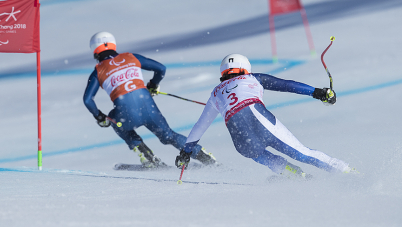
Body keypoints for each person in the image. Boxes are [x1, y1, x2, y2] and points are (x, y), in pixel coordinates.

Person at [175, 53, 357, 179]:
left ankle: (294, 176)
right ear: (245, 68)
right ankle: (346, 172)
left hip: (239, 139)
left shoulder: (215, 93)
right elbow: (285, 85)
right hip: (259, 120)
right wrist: (317, 92)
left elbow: (201, 125)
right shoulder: (252, 77)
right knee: (302, 153)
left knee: (259, 155)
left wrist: (186, 151)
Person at [83, 31, 217, 168]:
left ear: (94, 50)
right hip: (148, 108)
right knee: (168, 136)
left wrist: (100, 116)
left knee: (113, 119)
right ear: (113, 45)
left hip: (125, 116)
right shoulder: (131, 57)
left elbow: (88, 100)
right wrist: (153, 84)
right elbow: (161, 68)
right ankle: (204, 157)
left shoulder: (98, 71)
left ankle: (148, 158)